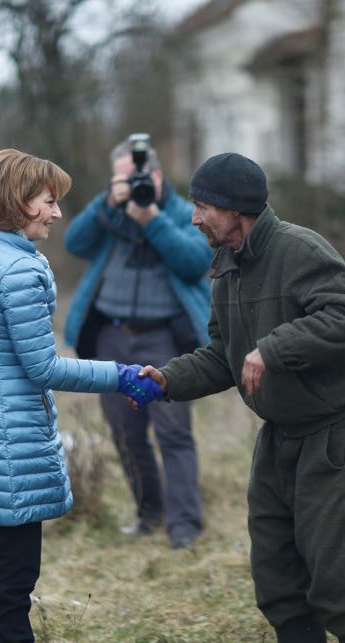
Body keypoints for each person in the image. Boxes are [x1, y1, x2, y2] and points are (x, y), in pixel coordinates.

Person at [139, 153, 345, 643]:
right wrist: (167, 379)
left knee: (331, 570)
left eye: (202, 206)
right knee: (276, 575)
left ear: (234, 209)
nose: (194, 218)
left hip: (331, 429)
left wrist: (273, 348)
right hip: (278, 434)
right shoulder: (226, 268)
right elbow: (222, 356)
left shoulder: (299, 250)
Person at [0, 148, 161, 643]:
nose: (57, 212)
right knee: (14, 583)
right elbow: (44, 368)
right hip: (12, 446)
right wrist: (120, 374)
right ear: (19, 203)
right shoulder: (20, 269)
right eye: (48, 201)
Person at [63, 136, 211, 549]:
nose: (132, 185)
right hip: (111, 336)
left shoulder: (183, 214)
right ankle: (150, 515)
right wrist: (106, 204)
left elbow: (196, 262)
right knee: (126, 434)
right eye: (123, 179)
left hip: (167, 338)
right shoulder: (109, 214)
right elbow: (74, 243)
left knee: (174, 431)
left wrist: (151, 219)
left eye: (138, 177)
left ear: (158, 176)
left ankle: (184, 526)